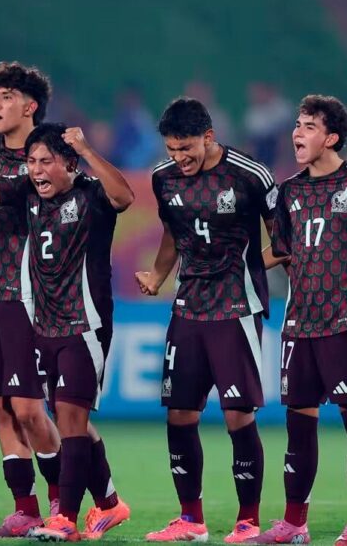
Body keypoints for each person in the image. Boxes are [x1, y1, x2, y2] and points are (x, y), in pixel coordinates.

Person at [0, 111, 134, 542]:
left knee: (69, 418)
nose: (36, 170)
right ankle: (110, 505)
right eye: (31, 161)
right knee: (68, 418)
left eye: (46, 161)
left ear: (69, 163)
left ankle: (64, 519)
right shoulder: (27, 194)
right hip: (43, 326)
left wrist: (86, 149)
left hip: (84, 324)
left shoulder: (91, 195)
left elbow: (125, 196)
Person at [137, 97, 277, 544]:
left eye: (187, 148)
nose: (180, 157)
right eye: (172, 149)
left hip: (236, 308)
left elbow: (284, 240)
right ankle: (190, 520)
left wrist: (250, 266)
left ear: (209, 136)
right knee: (179, 414)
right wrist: (158, 275)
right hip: (188, 308)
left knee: (237, 415)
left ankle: (248, 521)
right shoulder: (163, 178)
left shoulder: (250, 175)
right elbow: (172, 232)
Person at [256, 95, 347, 546]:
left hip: (345, 322)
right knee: (298, 421)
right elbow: (283, 249)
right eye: (297, 124)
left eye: (309, 126)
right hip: (298, 324)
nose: (297, 132)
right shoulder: (288, 191)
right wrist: (241, 266)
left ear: (331, 138)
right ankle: (294, 524)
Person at [0, 62, 66, 538]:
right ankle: (25, 509)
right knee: (1, 406)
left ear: (30, 106)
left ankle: (62, 501)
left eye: (6, 96)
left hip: (29, 298)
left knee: (28, 408)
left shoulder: (42, 161)